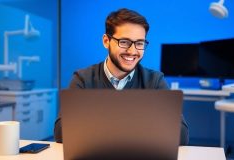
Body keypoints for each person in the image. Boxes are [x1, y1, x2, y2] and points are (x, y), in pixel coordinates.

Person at [54, 8, 189, 145]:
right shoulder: (83, 79)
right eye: (124, 42)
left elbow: (181, 134)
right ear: (106, 41)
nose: (132, 51)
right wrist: (145, 122)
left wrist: (94, 123)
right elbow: (62, 131)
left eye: (139, 43)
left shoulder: (154, 81)